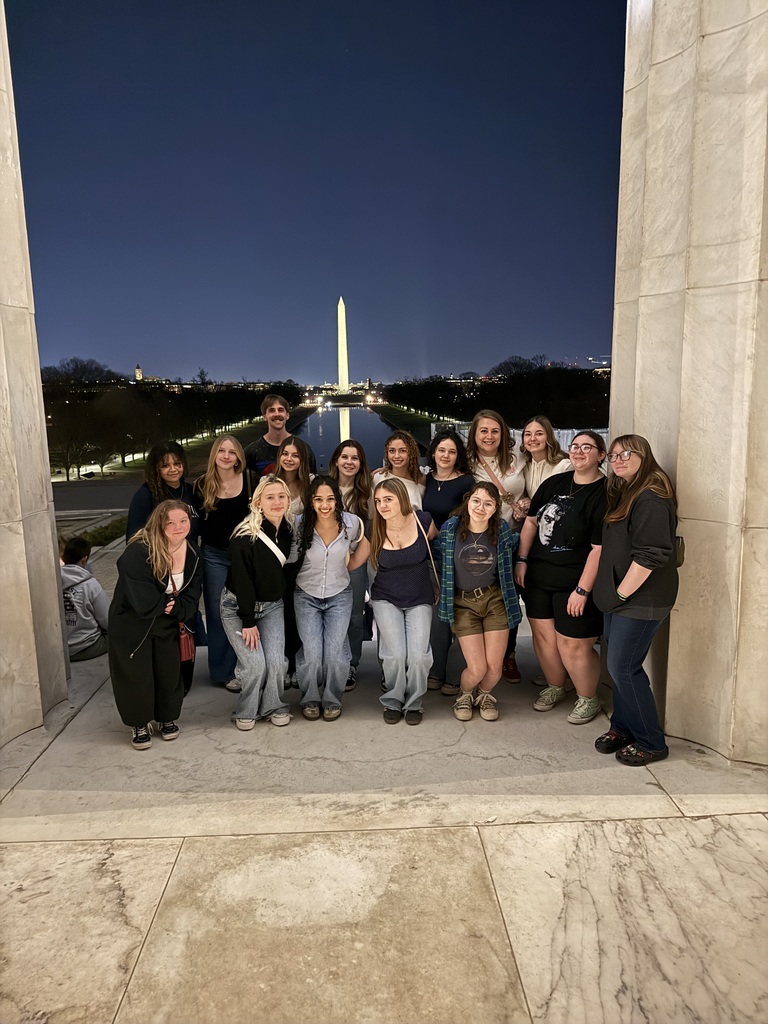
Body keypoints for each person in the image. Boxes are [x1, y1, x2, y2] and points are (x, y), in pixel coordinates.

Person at [593, 434, 679, 766]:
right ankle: (623, 727)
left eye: (626, 453)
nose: (618, 459)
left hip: (641, 598)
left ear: (644, 455)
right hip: (622, 598)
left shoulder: (652, 497)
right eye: (613, 455)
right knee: (618, 667)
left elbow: (651, 555)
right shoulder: (628, 491)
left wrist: (619, 593)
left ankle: (651, 741)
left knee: (624, 667)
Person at [514, 431, 608, 724]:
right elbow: (531, 522)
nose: (579, 452)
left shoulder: (604, 493)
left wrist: (583, 590)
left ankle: (587, 697)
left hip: (576, 581)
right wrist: (522, 559)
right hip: (539, 576)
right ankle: (556, 687)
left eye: (587, 448)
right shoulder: (553, 484)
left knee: (573, 643)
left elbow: (599, 549)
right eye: (575, 446)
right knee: (544, 638)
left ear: (600, 455)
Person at [108, 500, 203, 749]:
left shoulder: (193, 552)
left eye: (183, 521)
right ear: (159, 524)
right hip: (133, 625)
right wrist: (167, 604)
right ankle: (139, 723)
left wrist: (177, 608)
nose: (178, 527)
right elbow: (142, 599)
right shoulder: (139, 551)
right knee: (136, 675)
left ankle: (167, 718)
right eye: (170, 522)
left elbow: (193, 595)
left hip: (168, 623)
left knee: (168, 672)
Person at [436, 483, 522, 722]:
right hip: (464, 603)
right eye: (476, 501)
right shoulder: (451, 528)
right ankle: (464, 695)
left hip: (494, 600)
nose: (480, 507)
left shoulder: (501, 529)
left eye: (488, 503)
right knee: (477, 668)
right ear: (467, 502)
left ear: (495, 508)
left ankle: (484, 695)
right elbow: (438, 556)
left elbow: (512, 553)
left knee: (495, 667)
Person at [290, 476, 369, 721]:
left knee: (335, 652)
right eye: (318, 499)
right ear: (311, 501)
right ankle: (311, 697)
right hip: (306, 595)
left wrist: (351, 566)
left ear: (337, 500)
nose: (325, 505)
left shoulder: (351, 523)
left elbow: (364, 545)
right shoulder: (298, 524)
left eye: (330, 499)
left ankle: (332, 698)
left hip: (339, 595)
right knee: (313, 652)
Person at [220, 476, 294, 729]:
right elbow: (242, 581)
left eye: (281, 496)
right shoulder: (244, 535)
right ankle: (247, 709)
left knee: (275, 662)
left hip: (272, 606)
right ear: (258, 503)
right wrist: (248, 620)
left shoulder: (287, 530)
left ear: (288, 499)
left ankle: (273, 705)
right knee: (254, 665)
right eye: (270, 497)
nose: (276, 502)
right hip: (238, 608)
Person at [369, 478, 437, 725]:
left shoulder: (423, 521)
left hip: (419, 597)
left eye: (388, 499)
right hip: (386, 597)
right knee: (395, 654)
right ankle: (393, 699)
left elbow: (438, 548)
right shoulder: (373, 528)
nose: (382, 506)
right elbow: (355, 561)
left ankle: (414, 703)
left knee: (418, 656)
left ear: (402, 499)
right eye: (378, 501)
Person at [467, 409, 527, 683]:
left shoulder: (519, 457)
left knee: (509, 600)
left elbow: (537, 481)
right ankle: (480, 659)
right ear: (474, 434)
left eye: (494, 430)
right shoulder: (467, 463)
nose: (489, 436)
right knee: (479, 601)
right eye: (483, 430)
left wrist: (526, 502)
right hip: (479, 543)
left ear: (503, 434)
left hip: (511, 540)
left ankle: (508, 655)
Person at [193, 435, 251, 692]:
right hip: (214, 555)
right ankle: (222, 671)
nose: (227, 456)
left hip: (244, 556)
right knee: (217, 613)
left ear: (239, 456)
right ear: (214, 455)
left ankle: (247, 664)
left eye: (232, 452)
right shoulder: (201, 485)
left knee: (246, 611)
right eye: (222, 451)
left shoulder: (250, 480)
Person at [422, 428, 473, 696]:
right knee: (437, 615)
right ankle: (437, 670)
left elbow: (472, 519)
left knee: (461, 613)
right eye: (441, 450)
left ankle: (455, 672)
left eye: (452, 451)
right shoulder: (425, 480)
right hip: (430, 556)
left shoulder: (467, 482)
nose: (446, 455)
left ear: (458, 456)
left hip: (457, 554)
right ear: (433, 452)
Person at [328, 439, 373, 690]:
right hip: (325, 563)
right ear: (336, 460)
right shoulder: (323, 487)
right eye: (344, 457)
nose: (349, 462)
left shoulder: (367, 493)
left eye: (355, 458)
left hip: (355, 561)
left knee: (355, 615)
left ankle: (350, 663)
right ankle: (330, 660)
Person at [125, 441, 199, 542]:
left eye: (177, 464)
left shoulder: (192, 491)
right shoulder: (145, 495)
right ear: (156, 469)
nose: (173, 469)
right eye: (165, 466)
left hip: (189, 555)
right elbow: (134, 537)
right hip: (160, 556)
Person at [243, 394, 316, 478]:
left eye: (280, 410)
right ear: (264, 417)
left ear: (287, 415)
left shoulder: (304, 450)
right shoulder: (251, 452)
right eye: (272, 410)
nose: (277, 414)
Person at [60, 536, 109, 661]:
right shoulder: (91, 585)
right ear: (84, 559)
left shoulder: (53, 582)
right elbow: (107, 620)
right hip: (87, 646)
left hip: (61, 649)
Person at [519, 416, 571, 500]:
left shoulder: (565, 466)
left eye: (539, 434)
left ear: (549, 437)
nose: (532, 439)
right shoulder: (524, 467)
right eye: (528, 434)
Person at [371, 430, 425, 511]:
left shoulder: (421, 479)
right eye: (392, 451)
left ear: (411, 453)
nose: (396, 456)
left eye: (402, 451)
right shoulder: (378, 478)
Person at [274, 435, 314, 517]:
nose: (289, 459)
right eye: (285, 454)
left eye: (295, 455)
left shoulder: (311, 481)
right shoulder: (267, 482)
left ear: (302, 459)